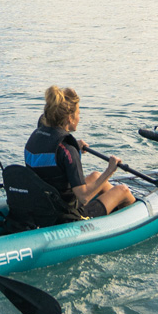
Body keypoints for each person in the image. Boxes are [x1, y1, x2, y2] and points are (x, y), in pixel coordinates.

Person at [24, 86, 135, 220]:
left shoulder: (35, 137)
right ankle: (132, 221)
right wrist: (110, 170)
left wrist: (74, 147)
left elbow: (54, 166)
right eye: (78, 113)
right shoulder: (67, 150)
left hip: (46, 203)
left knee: (95, 176)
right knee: (123, 190)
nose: (79, 118)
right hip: (66, 215)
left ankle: (112, 208)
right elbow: (83, 197)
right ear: (70, 118)